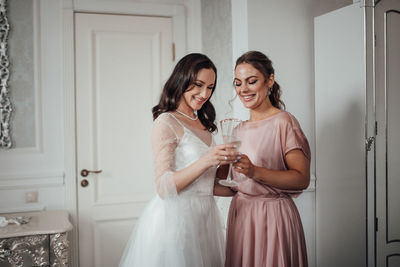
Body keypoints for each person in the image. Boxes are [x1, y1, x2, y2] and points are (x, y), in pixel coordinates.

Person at [119, 53, 238, 267]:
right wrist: (207, 160)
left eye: (210, 87)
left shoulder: (202, 122)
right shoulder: (166, 121)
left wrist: (236, 177)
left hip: (205, 220)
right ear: (182, 80)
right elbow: (164, 187)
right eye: (198, 85)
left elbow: (206, 185)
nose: (204, 94)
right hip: (176, 221)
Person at [222, 51, 310, 267]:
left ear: (269, 80)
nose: (243, 89)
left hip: (274, 219)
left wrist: (255, 171)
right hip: (242, 218)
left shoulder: (284, 122)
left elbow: (302, 179)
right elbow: (234, 187)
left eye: (252, 81)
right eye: (238, 83)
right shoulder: (237, 129)